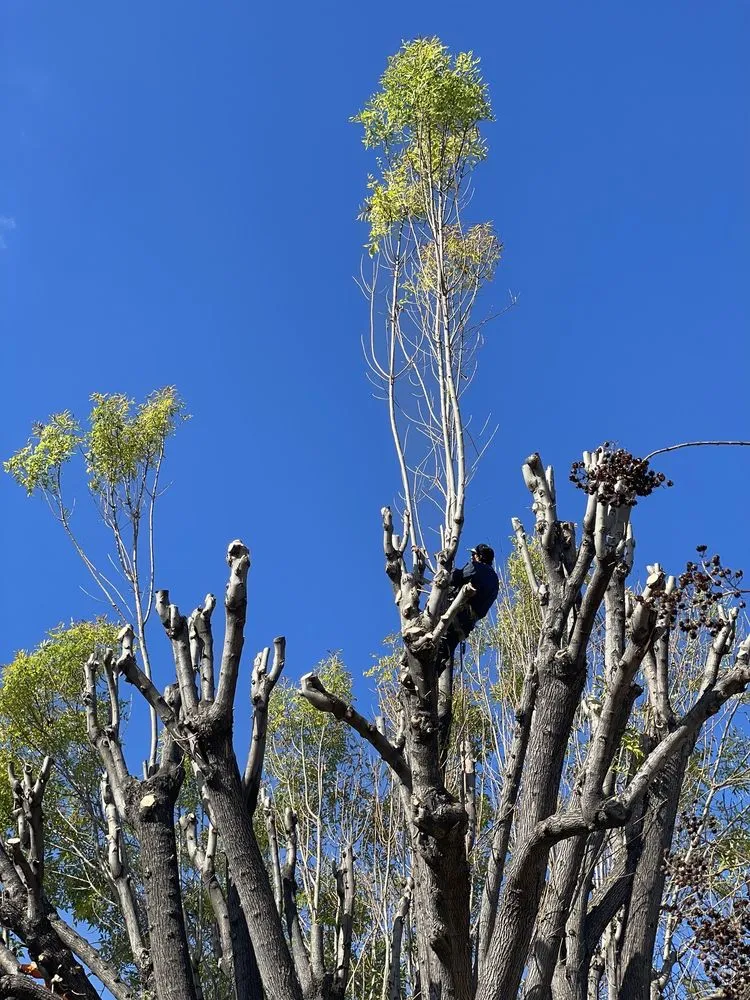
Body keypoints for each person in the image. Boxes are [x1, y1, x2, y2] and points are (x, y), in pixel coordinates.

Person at [443, 543, 499, 663]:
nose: (471, 557)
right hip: (466, 625)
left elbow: (453, 578)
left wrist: (446, 569)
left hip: (455, 614)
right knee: (443, 654)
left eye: (474, 555)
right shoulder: (495, 581)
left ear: (479, 557)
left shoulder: (475, 567)